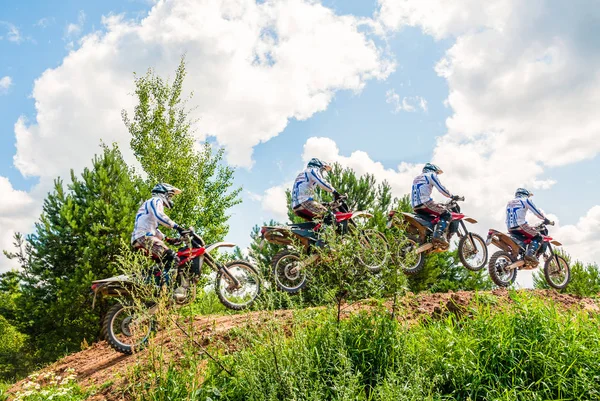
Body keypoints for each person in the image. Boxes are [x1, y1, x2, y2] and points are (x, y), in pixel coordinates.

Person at [131, 183, 187, 275]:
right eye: (170, 196)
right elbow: (160, 216)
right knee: (172, 258)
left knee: (163, 264)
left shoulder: (150, 205)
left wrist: (167, 239)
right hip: (144, 238)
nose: (170, 199)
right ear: (163, 193)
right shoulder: (156, 200)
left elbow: (154, 230)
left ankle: (146, 278)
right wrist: (178, 227)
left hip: (141, 238)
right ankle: (165, 287)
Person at [411, 163, 459, 247]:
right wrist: (452, 196)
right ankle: (438, 235)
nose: (436, 174)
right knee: (446, 214)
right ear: (432, 170)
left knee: (431, 219)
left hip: (415, 206)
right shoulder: (431, 175)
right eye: (437, 172)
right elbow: (441, 188)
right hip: (425, 202)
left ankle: (427, 238)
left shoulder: (417, 178)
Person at [506, 188, 551, 263]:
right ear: (525, 194)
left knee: (526, 237)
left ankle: (521, 254)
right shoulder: (525, 200)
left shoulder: (509, 202)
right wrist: (545, 219)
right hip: (520, 225)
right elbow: (537, 212)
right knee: (538, 237)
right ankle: (530, 254)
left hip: (510, 227)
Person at [291, 158, 340, 223]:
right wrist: (335, 192)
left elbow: (304, 193)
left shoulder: (304, 173)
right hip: (304, 202)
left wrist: (325, 204)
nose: (322, 172)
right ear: (319, 166)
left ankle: (318, 232)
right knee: (329, 216)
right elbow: (322, 182)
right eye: (322, 170)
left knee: (319, 222)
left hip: (296, 206)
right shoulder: (312, 170)